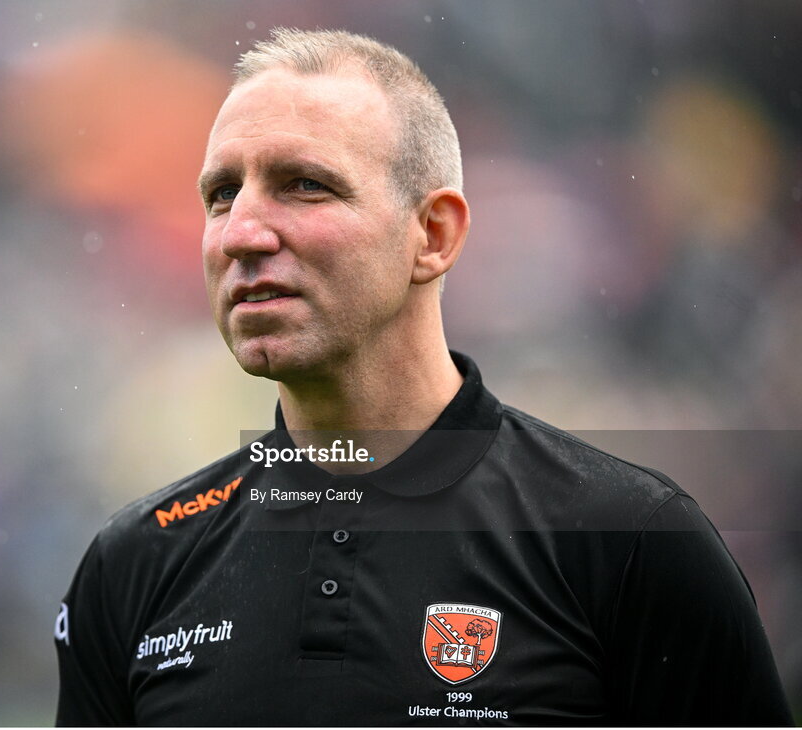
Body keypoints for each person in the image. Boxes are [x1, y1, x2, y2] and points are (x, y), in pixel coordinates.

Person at [54, 28, 792, 725]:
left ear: (433, 235)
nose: (241, 232)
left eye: (304, 184)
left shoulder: (632, 542)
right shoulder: (134, 566)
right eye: (221, 194)